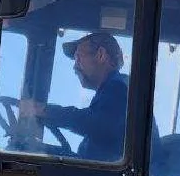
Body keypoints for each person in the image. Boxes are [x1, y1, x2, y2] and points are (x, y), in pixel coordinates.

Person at [20, 32, 129, 162]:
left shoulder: (119, 87)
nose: (75, 66)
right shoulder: (113, 91)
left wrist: (44, 111)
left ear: (100, 55)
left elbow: (98, 123)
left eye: (78, 58)